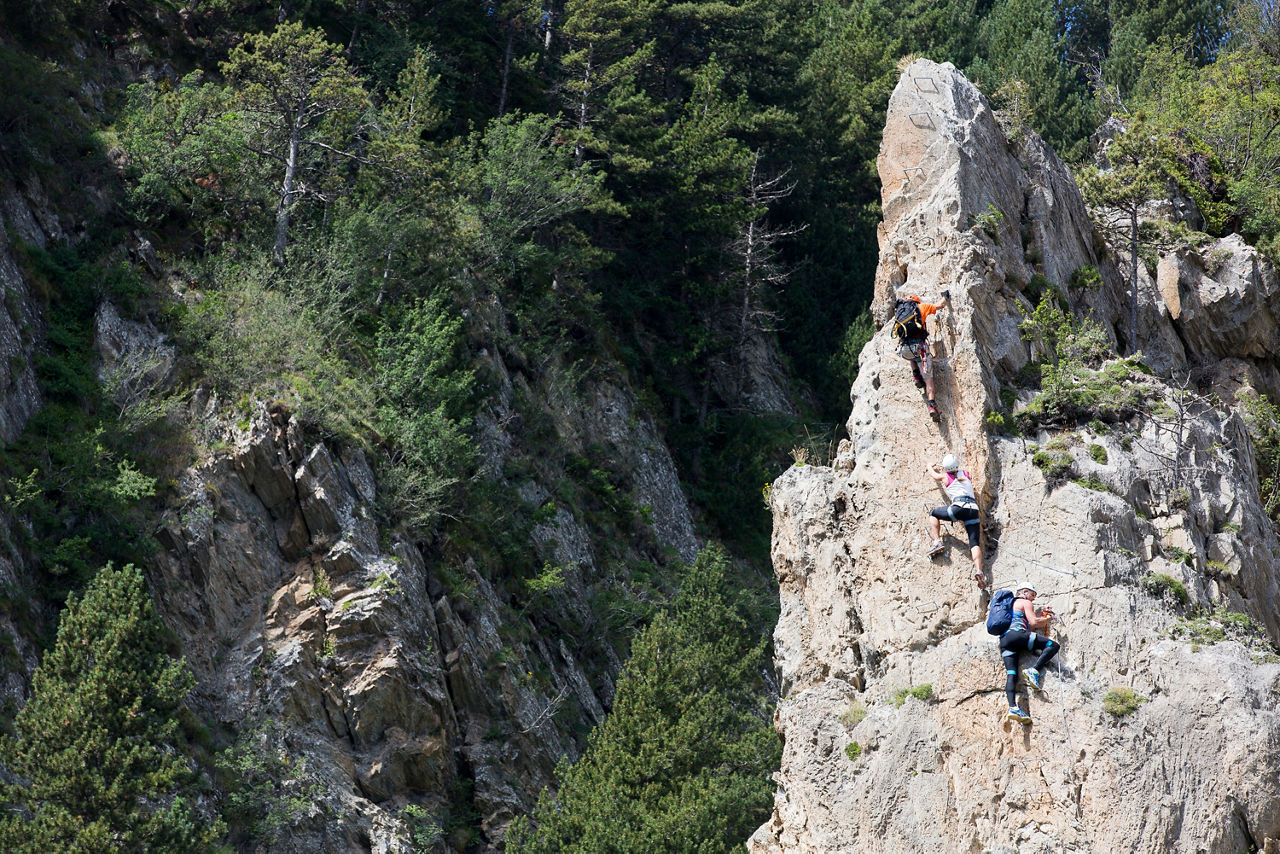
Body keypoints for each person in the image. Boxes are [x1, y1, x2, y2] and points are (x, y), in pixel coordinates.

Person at [1000, 581, 1060, 724]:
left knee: (1012, 674)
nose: (1033, 598)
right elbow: (1033, 623)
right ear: (1024, 592)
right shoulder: (1025, 602)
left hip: (1005, 641)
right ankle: (1034, 671)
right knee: (1053, 645)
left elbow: (1028, 627)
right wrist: (1048, 619)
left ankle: (1013, 707)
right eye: (1032, 594)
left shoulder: (1010, 605)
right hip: (1018, 635)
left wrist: (1039, 615)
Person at [925, 453, 985, 588]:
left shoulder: (946, 476)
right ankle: (979, 570)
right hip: (973, 510)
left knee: (933, 513)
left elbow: (934, 475)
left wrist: (929, 466)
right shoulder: (965, 473)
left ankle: (936, 542)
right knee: (974, 543)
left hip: (958, 508)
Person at [892, 290, 949, 418]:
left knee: (910, 354)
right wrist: (945, 296)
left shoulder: (899, 312)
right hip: (919, 348)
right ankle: (932, 405)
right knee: (929, 379)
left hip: (905, 350)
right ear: (916, 302)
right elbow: (939, 305)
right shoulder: (921, 307)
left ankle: (916, 375)